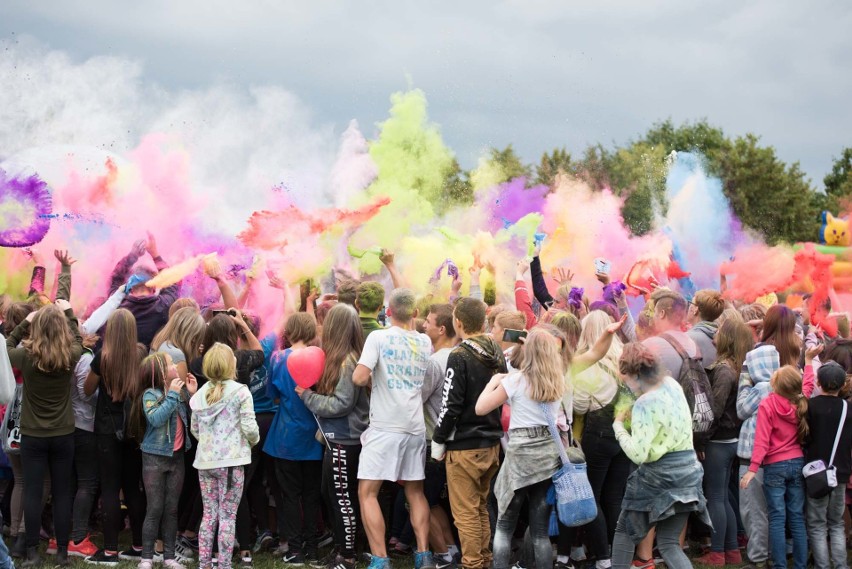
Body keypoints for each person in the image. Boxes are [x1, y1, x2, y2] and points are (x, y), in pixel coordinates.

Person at [353, 288, 442, 569]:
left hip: (384, 426)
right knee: (415, 492)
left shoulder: (378, 337)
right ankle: (423, 555)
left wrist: (374, 380)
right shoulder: (425, 341)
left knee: (367, 492)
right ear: (416, 314)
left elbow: (359, 377)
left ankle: (380, 559)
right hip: (414, 427)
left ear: (387, 311)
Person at [610, 343, 709, 569]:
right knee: (669, 543)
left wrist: (618, 427)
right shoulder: (672, 385)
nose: (628, 385)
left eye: (627, 380)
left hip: (658, 476)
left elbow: (638, 454)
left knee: (625, 531)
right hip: (688, 473)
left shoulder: (645, 402)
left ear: (636, 374)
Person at [475, 327, 566, 569]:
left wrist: (493, 382)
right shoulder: (559, 381)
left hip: (519, 455)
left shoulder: (515, 380)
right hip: (547, 454)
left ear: (528, 351)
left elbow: (481, 408)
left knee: (504, 527)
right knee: (540, 533)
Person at [5, 299, 83, 567]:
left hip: (33, 435)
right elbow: (80, 342)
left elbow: (5, 347)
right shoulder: (69, 355)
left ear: (35, 328)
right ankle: (61, 552)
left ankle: (31, 553)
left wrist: (25, 322)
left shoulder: (26, 356)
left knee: (32, 491)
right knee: (62, 493)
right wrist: (69, 313)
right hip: (63, 434)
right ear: (62, 329)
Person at [431, 297, 507, 569]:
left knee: (465, 514)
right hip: (491, 443)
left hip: (464, 446)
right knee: (480, 508)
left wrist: (438, 440)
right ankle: (483, 560)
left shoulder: (459, 355)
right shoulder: (496, 351)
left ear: (458, 323)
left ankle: (473, 564)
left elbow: (449, 404)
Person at [298, 304, 369, 569]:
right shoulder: (346, 358)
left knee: (342, 497)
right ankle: (343, 549)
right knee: (333, 494)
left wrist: (308, 397)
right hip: (335, 438)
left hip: (344, 440)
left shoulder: (348, 361)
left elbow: (342, 404)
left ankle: (348, 557)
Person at [736, 304, 800, 569]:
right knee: (788, 511)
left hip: (755, 448)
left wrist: (762, 388)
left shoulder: (755, 359)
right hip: (791, 448)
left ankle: (759, 558)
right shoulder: (798, 358)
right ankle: (785, 555)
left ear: (767, 327)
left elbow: (741, 408)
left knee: (756, 510)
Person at [82, 309, 145, 565]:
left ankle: (109, 551)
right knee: (133, 488)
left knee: (109, 488)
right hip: (133, 430)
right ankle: (139, 546)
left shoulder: (102, 359)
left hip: (107, 430)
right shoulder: (142, 355)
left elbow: (87, 390)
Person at [190, 343, 260, 569]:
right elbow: (250, 428)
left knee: (209, 515)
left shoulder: (200, 395)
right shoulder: (240, 392)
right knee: (228, 516)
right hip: (231, 463)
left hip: (205, 462)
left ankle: (204, 564)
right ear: (232, 365)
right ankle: (224, 564)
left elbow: (195, 429)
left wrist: (209, 444)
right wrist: (252, 441)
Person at [571, 311, 630, 569]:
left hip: (598, 435)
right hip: (623, 433)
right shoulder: (625, 357)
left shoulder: (588, 365)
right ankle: (619, 555)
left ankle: (603, 558)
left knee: (591, 495)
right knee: (615, 496)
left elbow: (580, 406)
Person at [264, 313, 325, 565]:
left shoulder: (278, 358)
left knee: (289, 495)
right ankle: (312, 548)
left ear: (288, 331)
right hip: (314, 434)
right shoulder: (321, 357)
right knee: (312, 494)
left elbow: (272, 394)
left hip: (286, 435)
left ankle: (295, 550)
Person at [741, 364, 814, 569]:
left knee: (777, 519)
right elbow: (807, 385)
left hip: (774, 466)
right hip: (797, 463)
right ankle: (800, 565)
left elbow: (761, 441)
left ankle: (780, 565)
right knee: (797, 518)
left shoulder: (767, 405)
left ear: (775, 385)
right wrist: (808, 364)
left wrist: (753, 468)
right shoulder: (801, 402)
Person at [695, 319, 752, 566]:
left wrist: (701, 441)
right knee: (724, 496)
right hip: (731, 440)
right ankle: (731, 551)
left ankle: (718, 553)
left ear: (727, 337)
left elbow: (714, 410)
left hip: (718, 442)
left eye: (718, 330)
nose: (714, 333)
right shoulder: (739, 367)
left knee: (715, 496)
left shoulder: (724, 370)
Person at [137, 352, 197, 569]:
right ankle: (146, 557)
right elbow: (155, 418)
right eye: (171, 363)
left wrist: (191, 395)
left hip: (176, 458)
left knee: (172, 509)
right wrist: (172, 395)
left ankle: (169, 557)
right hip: (154, 457)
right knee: (154, 508)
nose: (176, 365)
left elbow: (192, 417)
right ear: (161, 372)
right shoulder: (150, 394)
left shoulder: (179, 393)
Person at [804, 361, 852, 569]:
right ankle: (841, 565)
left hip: (816, 473)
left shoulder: (811, 407)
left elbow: (805, 437)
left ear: (818, 382)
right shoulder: (848, 409)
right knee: (836, 523)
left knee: (817, 524)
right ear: (842, 385)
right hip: (840, 472)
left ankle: (822, 565)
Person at [108, 234, 180, 348]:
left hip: (122, 362)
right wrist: (155, 255)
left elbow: (116, 278)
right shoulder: (163, 305)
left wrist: (132, 255)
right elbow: (170, 282)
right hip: (153, 364)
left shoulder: (117, 304)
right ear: (153, 287)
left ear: (130, 287)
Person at [687, 289, 726, 370]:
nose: (689, 306)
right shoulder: (723, 337)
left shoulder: (688, 338)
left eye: (691, 303)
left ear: (695, 310)